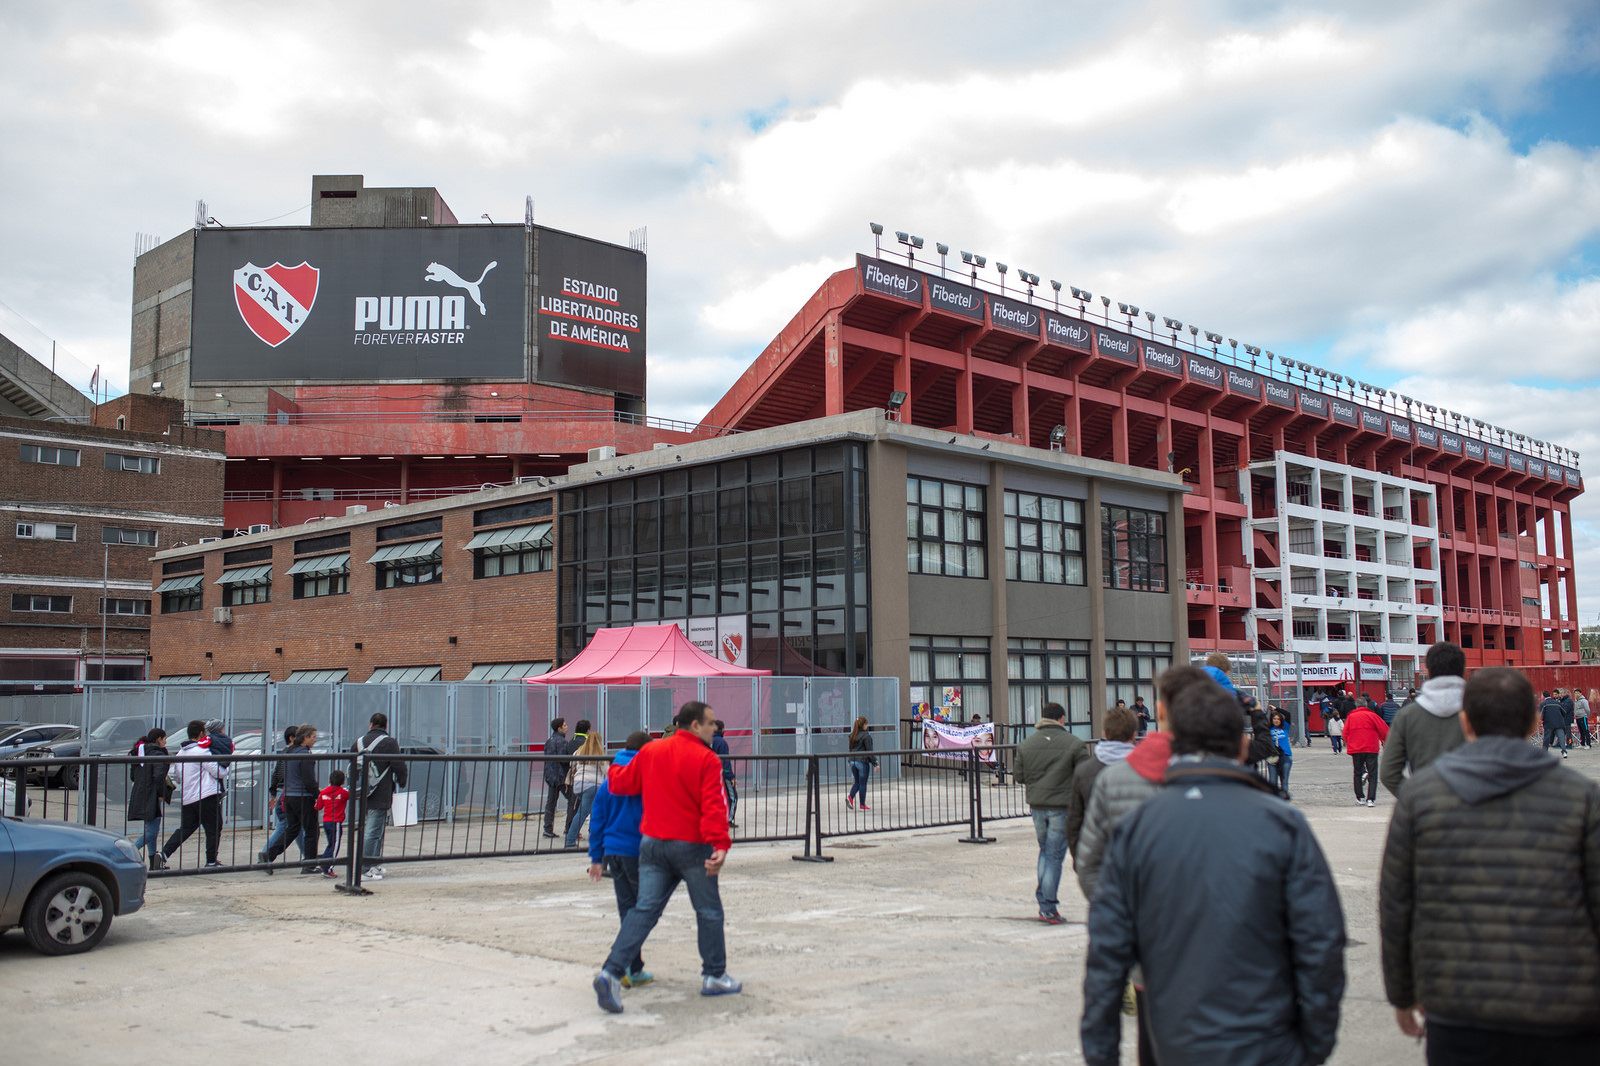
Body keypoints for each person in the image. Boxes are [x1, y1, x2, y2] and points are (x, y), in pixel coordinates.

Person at [1081, 681, 1345, 1066]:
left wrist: (1101, 1054)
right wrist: (1314, 1045)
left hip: (1176, 1039)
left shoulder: (1137, 828)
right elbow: (1321, 943)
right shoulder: (1284, 824)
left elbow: (1106, 955)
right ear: (1240, 745)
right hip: (1270, 1038)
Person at [1380, 667, 1600, 1064]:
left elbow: (1397, 906)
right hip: (1565, 1009)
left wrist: (1402, 993)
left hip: (1458, 1009)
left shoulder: (1419, 797)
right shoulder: (1582, 797)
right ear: (1535, 721)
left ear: (1465, 722)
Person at [1076, 667, 1199, 1066]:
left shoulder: (1104, 777)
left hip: (1134, 919)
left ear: (1160, 711)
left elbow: (1085, 853)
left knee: (1141, 1026)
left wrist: (1113, 907)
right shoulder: (1237, 786)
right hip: (1203, 944)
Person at [592, 701, 739, 1013]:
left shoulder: (652, 751)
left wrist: (614, 765)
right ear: (695, 726)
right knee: (708, 911)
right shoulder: (707, 759)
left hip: (652, 844)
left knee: (643, 910)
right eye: (710, 723)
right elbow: (713, 806)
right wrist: (721, 845)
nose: (715, 728)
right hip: (691, 845)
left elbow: (621, 783)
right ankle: (714, 975)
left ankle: (611, 972)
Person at [1011, 701, 1089, 925]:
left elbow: (1019, 776)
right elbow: (1083, 775)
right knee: (1054, 855)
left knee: (1045, 851)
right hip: (1062, 806)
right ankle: (1047, 906)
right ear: (1062, 719)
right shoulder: (1074, 744)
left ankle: (1044, 901)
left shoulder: (1026, 744)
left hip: (1037, 805)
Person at [587, 731, 652, 990]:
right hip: (636, 849)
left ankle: (633, 967)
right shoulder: (645, 776)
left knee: (627, 908)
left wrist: (596, 857)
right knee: (644, 911)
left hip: (613, 851)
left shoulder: (609, 780)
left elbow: (598, 821)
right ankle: (624, 964)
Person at [1378, 641, 1467, 797]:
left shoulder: (1407, 715)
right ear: (1462, 670)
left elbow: (1388, 773)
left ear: (1429, 671)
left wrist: (1416, 799)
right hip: (1472, 809)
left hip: (1426, 807)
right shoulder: (1480, 712)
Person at [1067, 707, 1136, 861]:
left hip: (1097, 859)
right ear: (1134, 734)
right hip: (1137, 860)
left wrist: (1081, 861)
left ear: (1104, 733)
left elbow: (1074, 821)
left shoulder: (1084, 770)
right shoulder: (1148, 768)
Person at [160, 720, 225, 868]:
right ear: (202, 734)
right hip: (207, 795)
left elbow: (177, 777)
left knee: (186, 828)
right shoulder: (203, 751)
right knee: (214, 828)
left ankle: (164, 853)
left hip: (188, 797)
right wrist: (226, 769)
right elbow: (218, 772)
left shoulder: (181, 752)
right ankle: (211, 861)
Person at [353, 711, 407, 881]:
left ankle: (373, 863)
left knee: (373, 829)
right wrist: (402, 781)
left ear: (370, 725)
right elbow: (398, 765)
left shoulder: (358, 742)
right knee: (374, 830)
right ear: (386, 726)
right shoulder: (389, 743)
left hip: (362, 791)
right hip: (381, 791)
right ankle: (366, 867)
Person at [261, 724, 320, 874]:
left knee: (292, 829)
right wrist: (317, 795)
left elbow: (279, 774)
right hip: (303, 797)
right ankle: (309, 864)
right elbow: (309, 780)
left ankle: (269, 854)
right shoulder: (305, 755)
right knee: (312, 831)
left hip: (289, 796)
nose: (315, 740)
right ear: (305, 737)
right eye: (313, 737)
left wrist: (274, 791)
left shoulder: (288, 752)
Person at [260, 725, 303, 875]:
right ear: (292, 738)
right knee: (286, 826)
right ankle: (265, 853)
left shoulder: (286, 752)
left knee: (295, 827)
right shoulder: (291, 753)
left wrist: (273, 793)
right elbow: (281, 775)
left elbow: (275, 774)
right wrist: (274, 794)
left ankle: (309, 857)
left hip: (284, 793)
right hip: (287, 794)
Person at [127, 727, 172, 871]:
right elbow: (158, 776)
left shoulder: (140, 752)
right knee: (152, 831)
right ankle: (128, 852)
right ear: (159, 739)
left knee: (151, 829)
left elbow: (133, 776)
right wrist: (161, 793)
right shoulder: (158, 754)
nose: (165, 742)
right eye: (164, 739)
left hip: (140, 792)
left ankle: (153, 863)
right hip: (152, 795)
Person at [564, 729, 607, 849]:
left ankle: (594, 837)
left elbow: (572, 765)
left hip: (578, 784)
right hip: (593, 785)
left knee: (593, 810)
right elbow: (606, 771)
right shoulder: (599, 754)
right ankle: (570, 840)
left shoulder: (579, 751)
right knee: (583, 812)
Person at [1344, 697, 1388, 806]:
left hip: (1356, 748)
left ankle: (1360, 798)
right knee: (1373, 774)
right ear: (1366, 705)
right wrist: (1384, 741)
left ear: (1356, 706)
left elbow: (1345, 733)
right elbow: (1385, 730)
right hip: (1371, 748)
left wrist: (1349, 742)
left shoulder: (1351, 717)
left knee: (1357, 773)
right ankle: (1371, 799)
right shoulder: (1373, 716)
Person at [315, 768, 350, 879]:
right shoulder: (343, 792)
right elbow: (352, 795)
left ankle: (324, 864)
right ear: (343, 781)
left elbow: (318, 807)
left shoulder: (323, 792)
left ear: (329, 780)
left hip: (326, 822)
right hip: (336, 822)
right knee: (335, 846)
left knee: (330, 844)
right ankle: (327, 868)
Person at [541, 716, 572, 838]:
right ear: (559, 728)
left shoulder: (549, 740)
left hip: (551, 776)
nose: (566, 727)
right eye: (564, 725)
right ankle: (569, 828)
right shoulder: (562, 742)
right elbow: (564, 759)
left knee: (551, 803)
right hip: (561, 776)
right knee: (573, 800)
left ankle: (547, 828)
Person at [845, 716, 877, 811]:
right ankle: (862, 805)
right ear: (863, 725)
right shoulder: (866, 736)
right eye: (866, 724)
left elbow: (850, 749)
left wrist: (849, 761)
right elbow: (869, 752)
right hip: (862, 762)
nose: (867, 725)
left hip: (852, 761)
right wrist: (875, 763)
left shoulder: (852, 735)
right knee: (862, 784)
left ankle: (850, 797)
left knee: (857, 782)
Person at [711, 719, 738, 827]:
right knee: (733, 796)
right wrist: (731, 776)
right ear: (722, 729)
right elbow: (725, 761)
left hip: (710, 774)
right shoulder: (721, 743)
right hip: (722, 773)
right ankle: (729, 819)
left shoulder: (707, 740)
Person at [1270, 710, 1294, 799]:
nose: (1276, 720)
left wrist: (1276, 708)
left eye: (1278, 719)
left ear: (1281, 720)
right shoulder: (1269, 729)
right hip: (1273, 757)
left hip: (1286, 756)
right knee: (1272, 781)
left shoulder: (1285, 727)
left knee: (1284, 780)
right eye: (1274, 719)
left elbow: (1288, 714)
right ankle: (1273, 800)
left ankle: (1284, 799)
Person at [1540, 690, 1570, 758]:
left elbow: (1540, 714)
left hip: (1548, 723)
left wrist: (1542, 720)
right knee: (1561, 738)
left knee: (1547, 738)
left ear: (1543, 696)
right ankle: (1564, 753)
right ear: (1550, 695)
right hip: (1559, 723)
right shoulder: (1557, 703)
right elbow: (1564, 712)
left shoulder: (1543, 704)